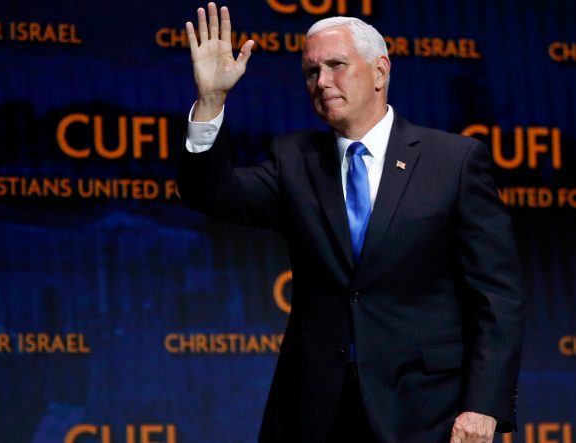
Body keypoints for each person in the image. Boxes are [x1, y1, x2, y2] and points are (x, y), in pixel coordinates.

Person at [177, 3, 525, 443]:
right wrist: (211, 100)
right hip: (314, 414)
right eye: (310, 72)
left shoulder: (453, 162)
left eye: (336, 65)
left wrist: (483, 406)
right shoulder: (294, 162)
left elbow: (497, 297)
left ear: (380, 71)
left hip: (428, 413)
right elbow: (209, 192)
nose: (321, 82)